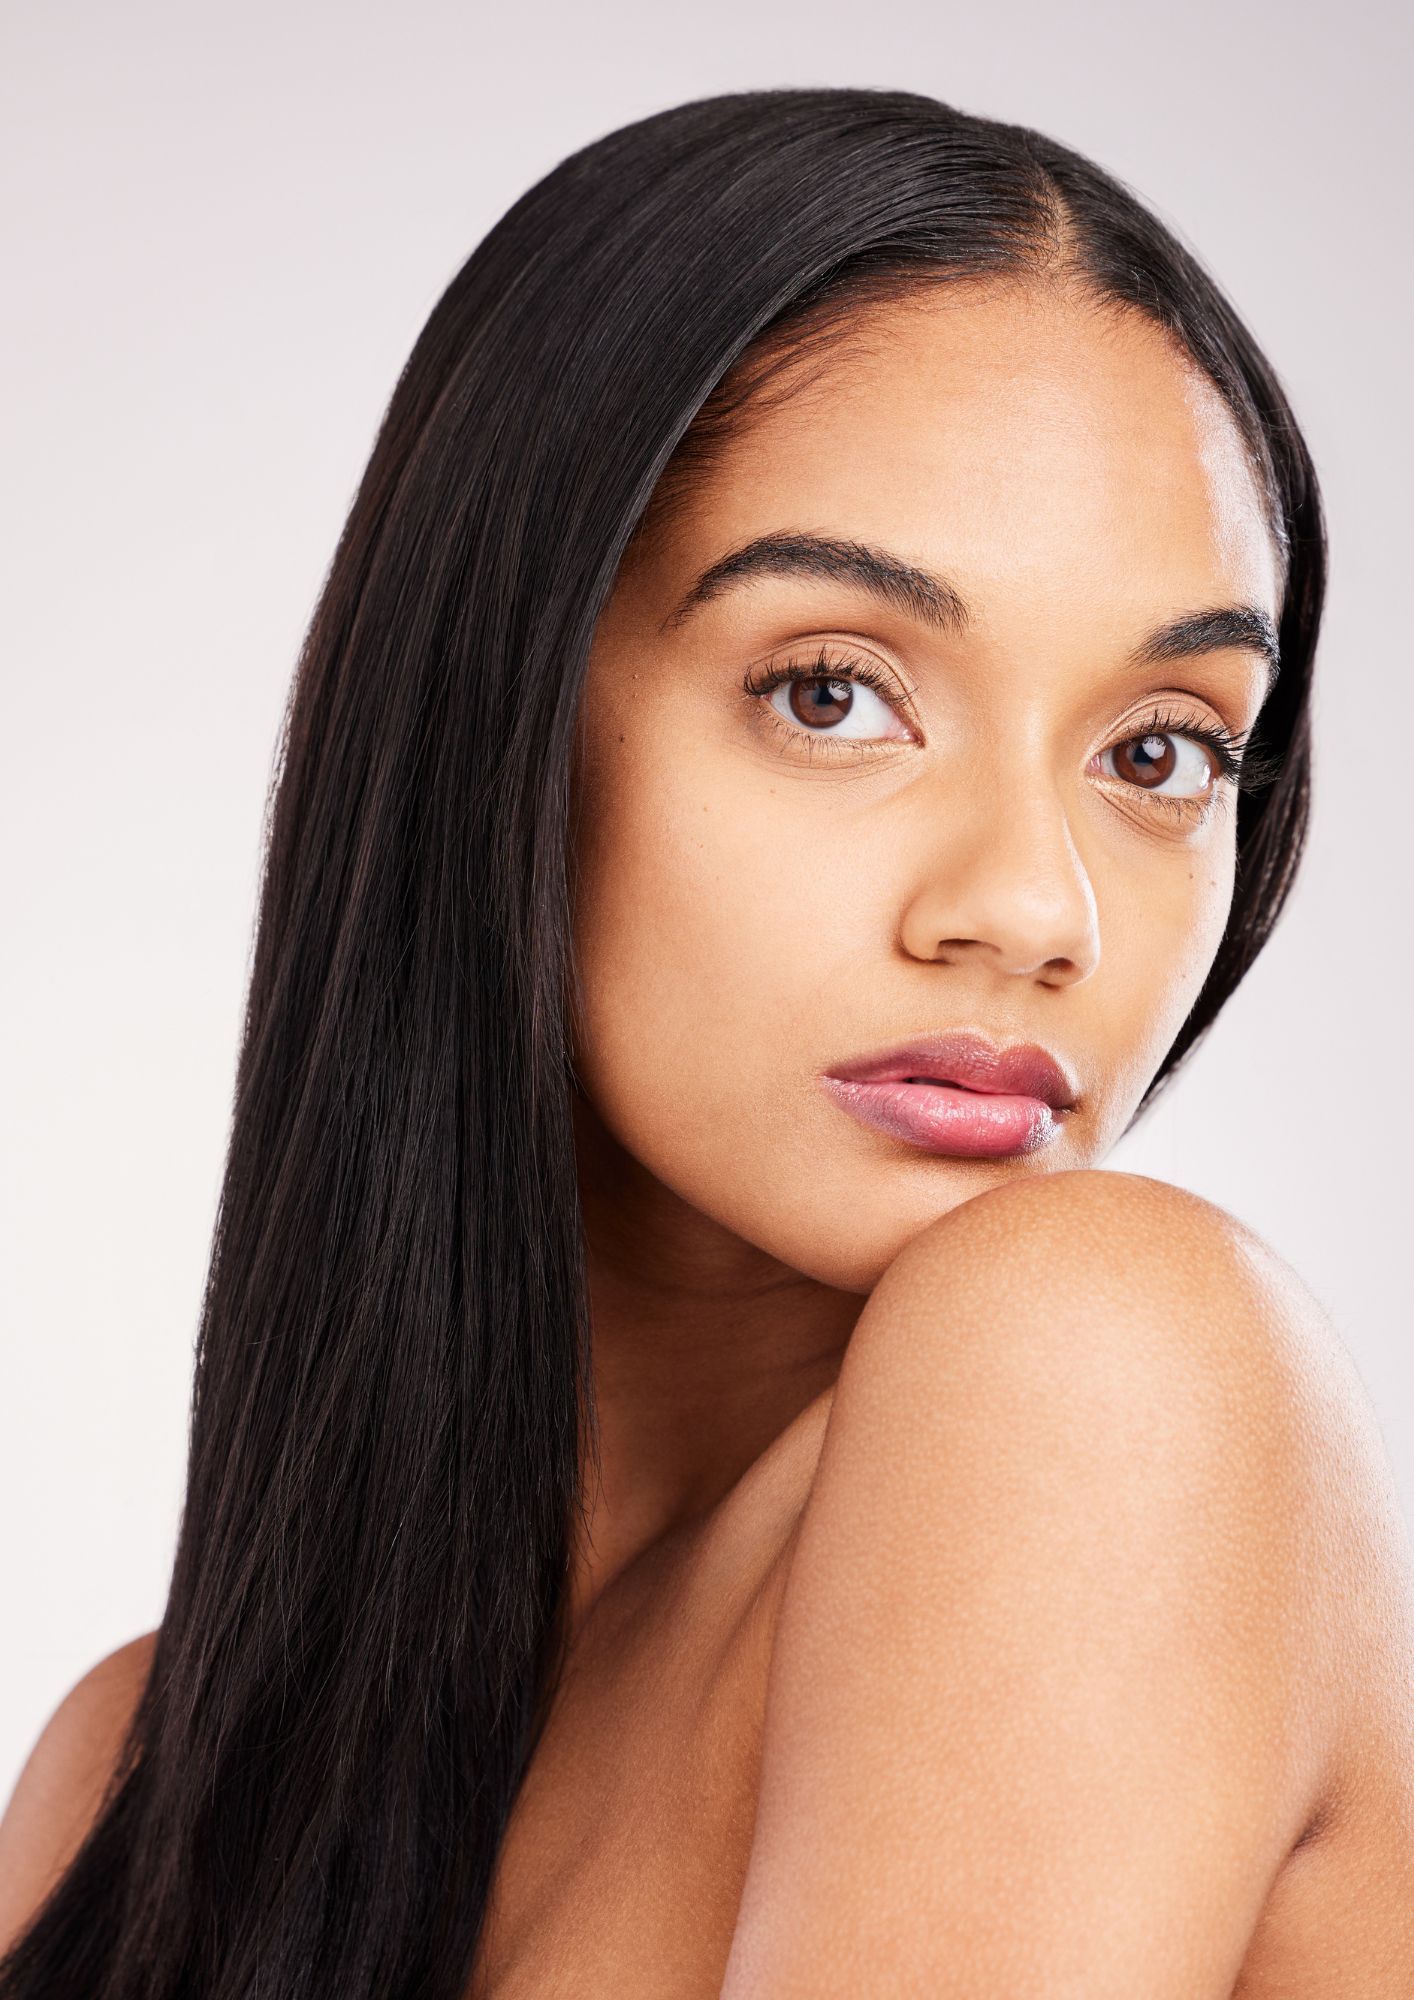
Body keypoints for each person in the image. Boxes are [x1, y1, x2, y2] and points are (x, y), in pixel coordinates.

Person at [1, 84, 1410, 2000]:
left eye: (1158, 752)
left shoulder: (1096, 1357)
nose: (1032, 907)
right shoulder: (132, 1779)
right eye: (833, 692)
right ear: (495, 717)